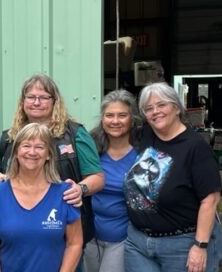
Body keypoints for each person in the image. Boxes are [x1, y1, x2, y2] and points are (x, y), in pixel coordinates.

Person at [0, 74, 103, 258]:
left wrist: (80, 188)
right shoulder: (11, 137)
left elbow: (98, 178)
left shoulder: (75, 134)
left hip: (64, 238)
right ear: (23, 101)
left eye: (43, 97)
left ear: (55, 102)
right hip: (17, 238)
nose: (36, 102)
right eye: (31, 97)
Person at [124, 82, 222, 272]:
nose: (155, 112)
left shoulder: (196, 147)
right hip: (138, 243)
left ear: (176, 107)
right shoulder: (145, 135)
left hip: (181, 244)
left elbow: (210, 200)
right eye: (149, 108)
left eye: (161, 105)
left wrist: (200, 246)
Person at [0, 123, 82, 271]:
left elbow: (75, 243)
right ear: (16, 152)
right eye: (26, 146)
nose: (32, 152)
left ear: (49, 154)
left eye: (40, 147)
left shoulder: (66, 193)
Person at [84, 90, 141, 272]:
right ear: (102, 119)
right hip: (89, 236)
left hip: (122, 238)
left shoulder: (142, 154)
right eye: (109, 115)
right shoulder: (91, 150)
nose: (115, 121)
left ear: (132, 119)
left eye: (122, 115)